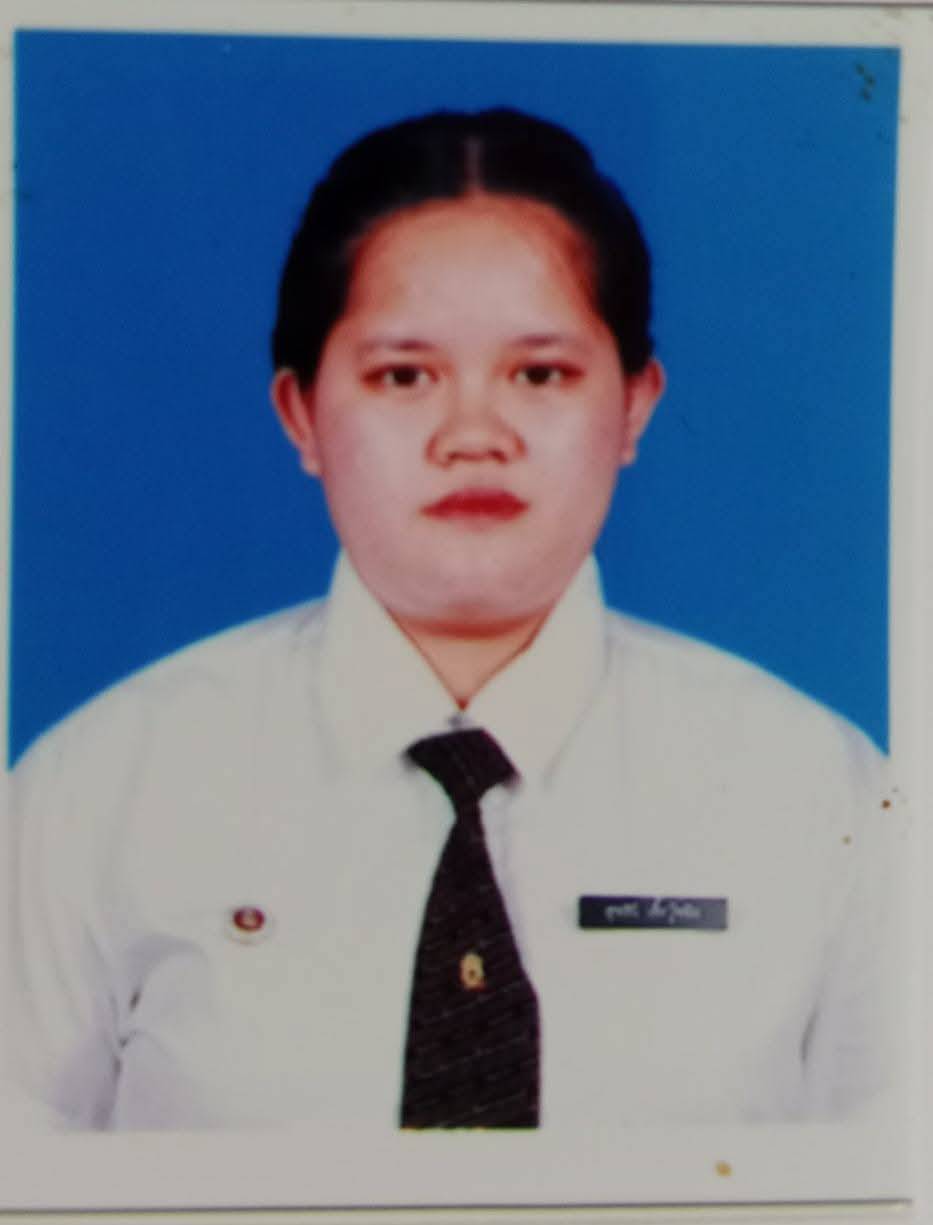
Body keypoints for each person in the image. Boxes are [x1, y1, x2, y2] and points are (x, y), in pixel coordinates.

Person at [9, 108, 889, 1131]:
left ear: (635, 404)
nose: (474, 434)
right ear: (301, 412)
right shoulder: (96, 793)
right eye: (404, 376)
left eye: (540, 373)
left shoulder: (816, 792)